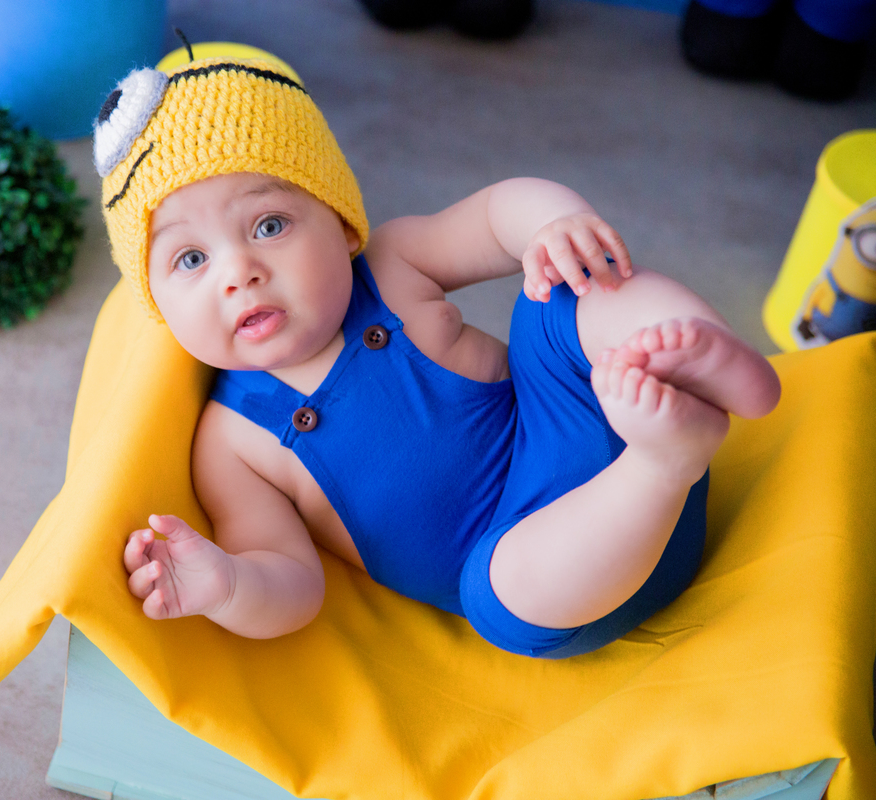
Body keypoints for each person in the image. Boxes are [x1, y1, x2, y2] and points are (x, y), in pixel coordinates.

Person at [94, 50, 781, 658]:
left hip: (586, 417)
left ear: (341, 221)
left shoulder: (394, 262)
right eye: (190, 258)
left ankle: (699, 355)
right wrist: (229, 584)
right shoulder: (232, 442)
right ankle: (668, 458)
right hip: (572, 572)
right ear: (156, 302)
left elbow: (495, 213)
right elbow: (291, 581)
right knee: (501, 591)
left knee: (562, 293)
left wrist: (550, 226)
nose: (238, 271)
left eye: (269, 225)